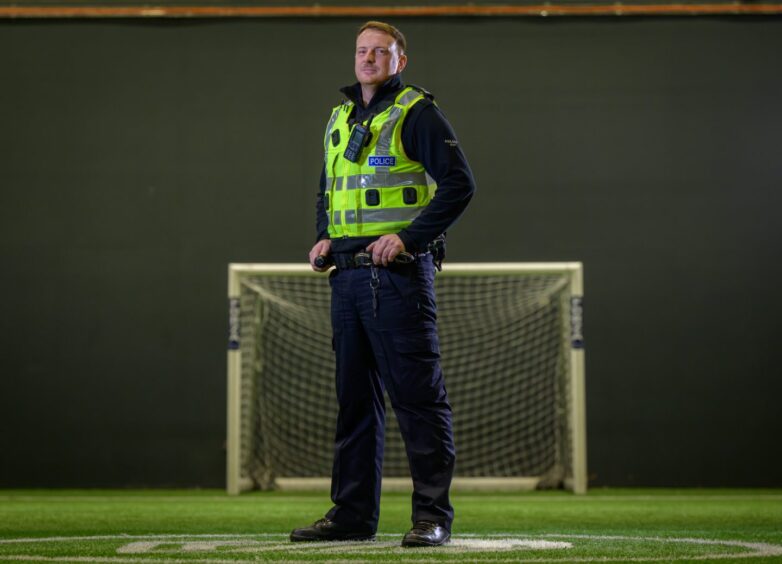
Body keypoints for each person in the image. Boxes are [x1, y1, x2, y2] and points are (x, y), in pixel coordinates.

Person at [291, 20, 475, 548]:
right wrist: (324, 236)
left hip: (397, 281)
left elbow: (461, 184)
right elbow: (329, 186)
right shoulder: (340, 117)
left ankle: (431, 516)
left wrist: (412, 237)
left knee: (418, 402)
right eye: (361, 50)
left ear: (401, 61)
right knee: (354, 405)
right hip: (346, 281)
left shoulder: (416, 112)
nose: (368, 59)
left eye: (380, 52)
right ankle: (351, 514)